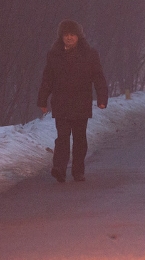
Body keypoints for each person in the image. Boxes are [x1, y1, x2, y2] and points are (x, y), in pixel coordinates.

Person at [37, 20, 108, 183]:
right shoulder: (54, 55)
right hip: (61, 102)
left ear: (79, 36)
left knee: (79, 138)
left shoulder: (90, 55)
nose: (69, 38)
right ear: (61, 36)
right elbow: (47, 78)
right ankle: (59, 169)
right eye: (66, 35)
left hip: (81, 102)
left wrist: (102, 98)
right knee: (62, 137)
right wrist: (42, 100)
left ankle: (78, 170)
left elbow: (98, 77)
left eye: (72, 35)